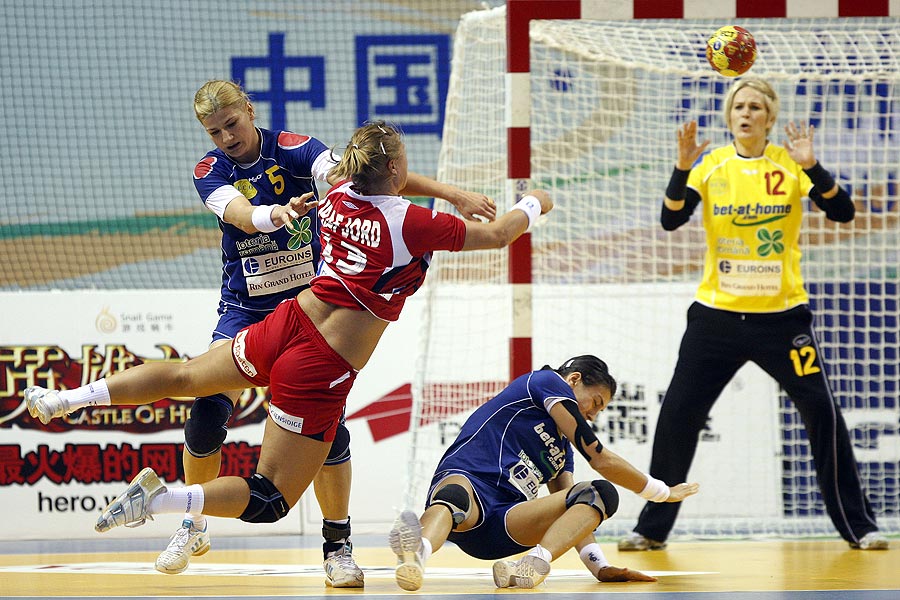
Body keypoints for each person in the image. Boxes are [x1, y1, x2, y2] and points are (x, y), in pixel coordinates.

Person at [24, 121, 553, 573]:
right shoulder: (411, 222)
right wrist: (536, 201)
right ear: (394, 169)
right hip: (321, 363)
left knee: (186, 376)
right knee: (270, 496)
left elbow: (378, 179)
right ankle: (164, 499)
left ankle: (67, 399)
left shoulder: (337, 195)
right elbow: (499, 234)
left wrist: (446, 193)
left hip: (286, 322)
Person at [167, 80, 495, 585]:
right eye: (215, 132)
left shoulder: (295, 148)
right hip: (247, 307)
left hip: (313, 303)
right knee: (206, 412)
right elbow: (242, 216)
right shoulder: (210, 171)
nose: (227, 137)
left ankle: (337, 546)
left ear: (249, 111)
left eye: (232, 124)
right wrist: (276, 214)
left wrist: (453, 193)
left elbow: (373, 176)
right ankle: (193, 523)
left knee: (328, 432)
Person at [617, 77, 888, 553]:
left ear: (770, 117)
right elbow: (671, 219)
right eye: (739, 106)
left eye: (755, 107)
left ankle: (859, 526)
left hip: (782, 321)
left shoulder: (790, 163)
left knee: (823, 414)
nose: (746, 113)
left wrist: (813, 165)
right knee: (678, 416)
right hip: (716, 319)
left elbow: (844, 212)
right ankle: (652, 529)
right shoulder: (711, 165)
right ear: (729, 117)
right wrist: (681, 168)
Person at [388, 355, 699, 591]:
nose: (593, 414)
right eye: (595, 402)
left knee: (597, 494)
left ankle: (530, 566)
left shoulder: (561, 449)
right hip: (470, 495)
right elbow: (600, 459)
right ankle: (416, 555)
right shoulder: (545, 382)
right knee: (455, 496)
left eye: (600, 410)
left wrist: (599, 566)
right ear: (574, 380)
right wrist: (660, 492)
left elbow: (573, 508)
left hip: (505, 526)